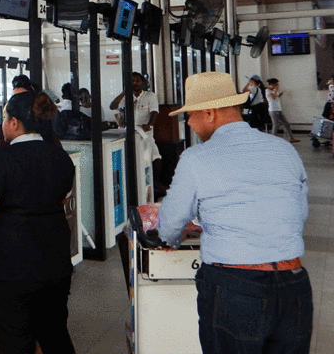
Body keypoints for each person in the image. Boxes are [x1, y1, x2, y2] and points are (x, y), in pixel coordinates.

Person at [158, 72, 312, 354]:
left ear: (209, 113)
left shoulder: (196, 158)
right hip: (294, 284)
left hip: (234, 287)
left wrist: (173, 240)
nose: (189, 123)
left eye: (190, 116)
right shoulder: (285, 150)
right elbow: (298, 212)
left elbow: (170, 223)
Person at [0, 91, 76, 354]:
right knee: (55, 334)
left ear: (14, 122)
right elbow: (61, 199)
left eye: (4, 119)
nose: (2, 126)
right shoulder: (61, 158)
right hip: (56, 264)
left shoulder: (1, 161)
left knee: (16, 340)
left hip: (13, 269)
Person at [109, 72, 161, 201]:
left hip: (145, 135)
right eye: (132, 81)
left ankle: (155, 183)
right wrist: (124, 92)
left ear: (142, 83)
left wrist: (149, 124)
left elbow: (154, 112)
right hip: (130, 135)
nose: (135, 83)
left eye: (137, 80)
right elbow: (112, 106)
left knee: (155, 157)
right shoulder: (127, 97)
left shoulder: (150, 96)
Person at [266, 78, 300, 143]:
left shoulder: (274, 90)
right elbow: (273, 97)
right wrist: (276, 90)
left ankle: (291, 138)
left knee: (286, 123)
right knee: (276, 125)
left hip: (279, 109)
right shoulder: (267, 90)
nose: (277, 85)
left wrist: (279, 94)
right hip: (273, 110)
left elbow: (276, 97)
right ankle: (272, 139)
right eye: (276, 84)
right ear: (272, 84)